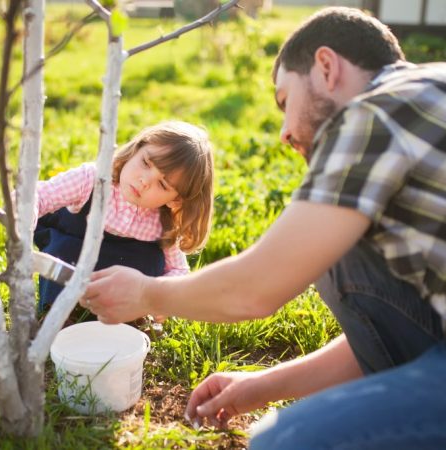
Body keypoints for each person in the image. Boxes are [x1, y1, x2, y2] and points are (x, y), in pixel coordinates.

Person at [82, 7, 446, 449]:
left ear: (327, 68)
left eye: (283, 100)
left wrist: (144, 293)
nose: (284, 133)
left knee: (281, 442)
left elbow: (255, 290)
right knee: (339, 253)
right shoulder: (426, 92)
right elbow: (393, 330)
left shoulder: (375, 111)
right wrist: (258, 387)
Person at [34, 120, 214, 314]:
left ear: (175, 200)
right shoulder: (92, 180)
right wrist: (23, 216)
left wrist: (160, 300)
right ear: (136, 149)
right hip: (75, 255)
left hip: (120, 281)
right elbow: (39, 195)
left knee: (152, 261)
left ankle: (134, 317)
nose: (144, 181)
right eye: (146, 163)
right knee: (63, 251)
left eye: (162, 185)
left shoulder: (164, 222)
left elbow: (178, 271)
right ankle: (58, 315)